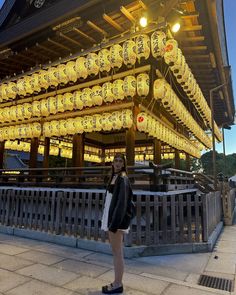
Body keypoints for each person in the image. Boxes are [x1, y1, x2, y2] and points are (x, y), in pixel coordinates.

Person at [101, 153, 134, 294]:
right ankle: (116, 282)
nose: (118, 163)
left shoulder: (123, 178)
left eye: (121, 161)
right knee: (116, 251)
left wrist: (114, 224)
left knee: (117, 252)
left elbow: (121, 203)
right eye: (116, 161)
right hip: (111, 217)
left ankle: (117, 283)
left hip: (116, 221)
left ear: (124, 164)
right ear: (112, 163)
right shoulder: (114, 177)